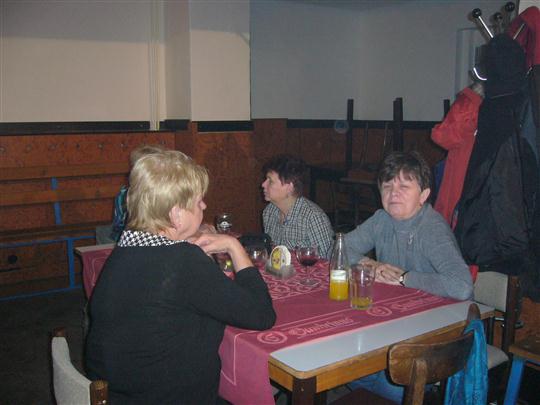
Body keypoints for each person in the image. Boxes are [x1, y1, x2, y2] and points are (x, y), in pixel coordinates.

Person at [85, 149, 276, 404]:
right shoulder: (182, 261)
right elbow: (261, 315)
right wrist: (234, 246)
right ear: (176, 214)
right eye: (198, 202)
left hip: (120, 393)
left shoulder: (125, 248)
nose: (204, 206)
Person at [344, 150, 473, 403]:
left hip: (437, 331)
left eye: (404, 186)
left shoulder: (432, 228)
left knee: (391, 385)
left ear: (423, 195)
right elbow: (340, 248)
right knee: (346, 362)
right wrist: (369, 264)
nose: (394, 193)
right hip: (395, 323)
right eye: (387, 186)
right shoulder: (381, 219)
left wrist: (405, 278)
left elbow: (462, 286)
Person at [261, 154, 334, 258]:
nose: (263, 184)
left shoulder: (313, 217)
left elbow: (328, 261)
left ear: (289, 187)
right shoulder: (269, 211)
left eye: (270, 181)